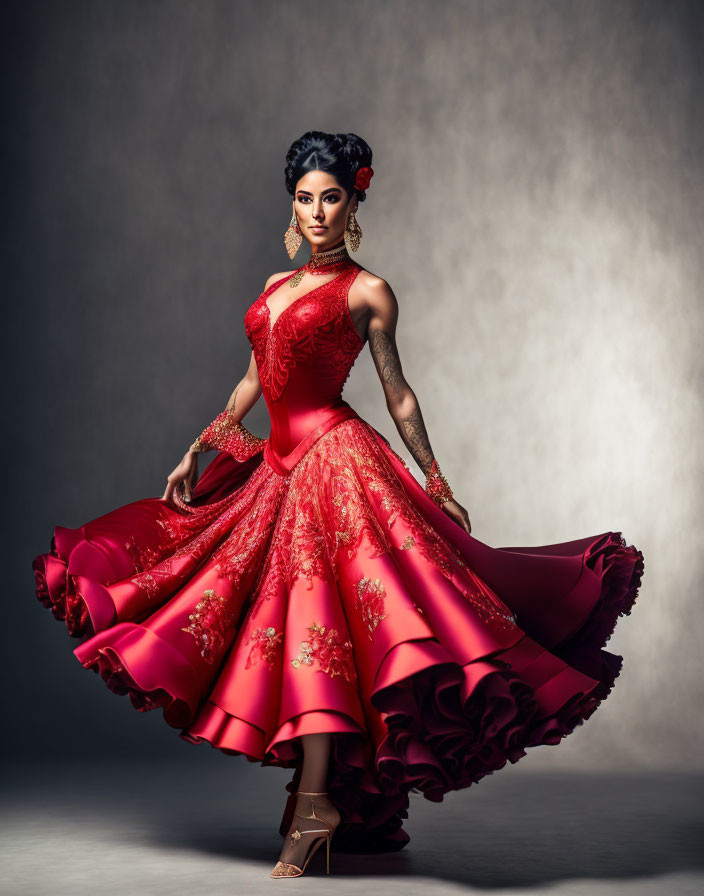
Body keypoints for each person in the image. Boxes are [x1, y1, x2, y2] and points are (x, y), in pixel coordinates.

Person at [33, 130, 645, 879]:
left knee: (318, 625)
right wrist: (200, 447)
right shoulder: (273, 285)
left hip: (335, 462)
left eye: (330, 197)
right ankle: (318, 795)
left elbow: (397, 391)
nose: (317, 211)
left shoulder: (367, 290)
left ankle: (318, 798)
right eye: (304, 198)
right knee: (268, 618)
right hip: (277, 464)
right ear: (291, 204)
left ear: (354, 201)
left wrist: (438, 482)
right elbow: (254, 380)